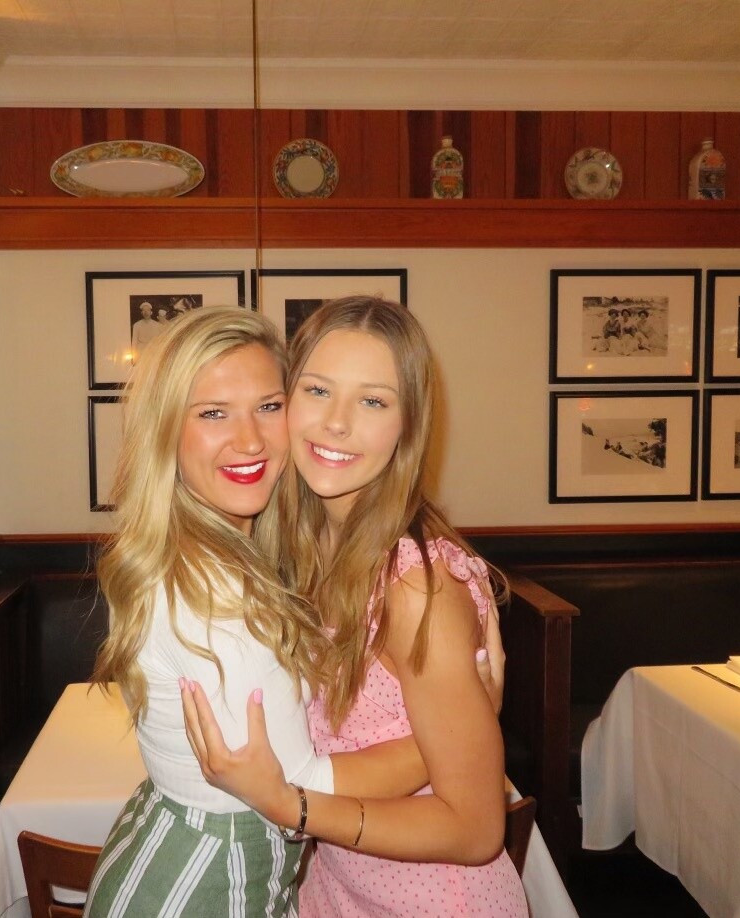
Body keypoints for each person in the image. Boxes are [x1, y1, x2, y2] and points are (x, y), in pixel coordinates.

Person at [182, 297, 528, 917]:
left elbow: (477, 830)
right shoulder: (306, 548)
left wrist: (292, 806)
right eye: (317, 390)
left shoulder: (414, 586)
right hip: (338, 887)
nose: (336, 423)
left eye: (373, 401)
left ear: (407, 426)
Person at [85, 307, 426, 918]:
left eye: (268, 406)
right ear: (167, 430)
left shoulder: (234, 552)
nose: (249, 440)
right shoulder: (209, 593)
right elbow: (295, 786)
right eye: (213, 413)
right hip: (198, 889)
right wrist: (454, 737)